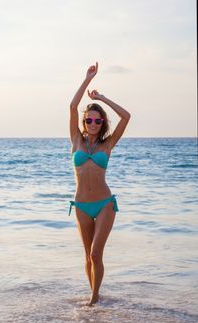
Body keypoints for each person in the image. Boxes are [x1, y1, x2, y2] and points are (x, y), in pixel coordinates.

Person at [69, 62, 131, 305]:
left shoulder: (108, 145)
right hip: (82, 205)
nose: (93, 124)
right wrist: (87, 79)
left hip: (105, 204)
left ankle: (93, 301)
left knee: (96, 253)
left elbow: (126, 116)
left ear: (102, 123)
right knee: (87, 256)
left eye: (97, 121)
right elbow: (73, 106)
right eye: (89, 120)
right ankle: (93, 293)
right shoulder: (75, 140)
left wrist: (102, 98)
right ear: (84, 122)